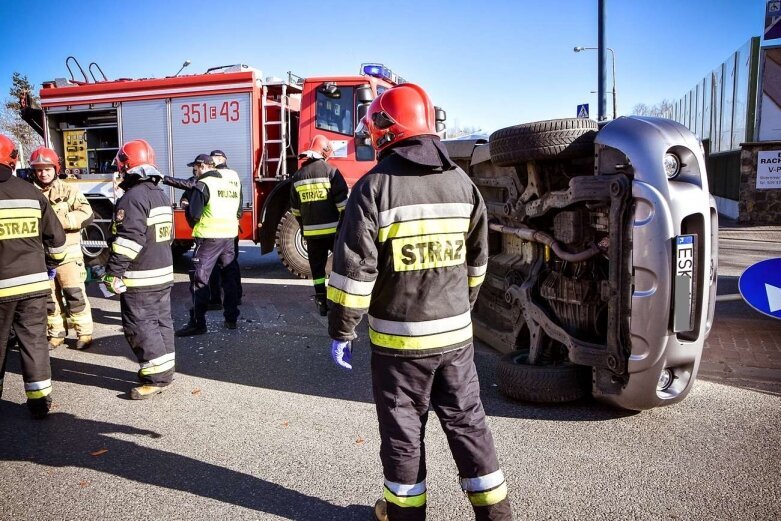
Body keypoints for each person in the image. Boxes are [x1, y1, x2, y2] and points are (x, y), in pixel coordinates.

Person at [327, 84, 513, 521]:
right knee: (469, 425)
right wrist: (458, 309)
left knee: (404, 434)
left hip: (399, 346)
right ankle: (498, 516)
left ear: (384, 130)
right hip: (455, 339)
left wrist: (342, 330)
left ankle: (405, 516)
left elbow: (355, 273)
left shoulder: (374, 187)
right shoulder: (463, 184)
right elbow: (479, 263)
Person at [0, 134, 67, 418]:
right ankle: (40, 403)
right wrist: (48, 264)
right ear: (13, 159)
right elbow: (58, 240)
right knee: (34, 342)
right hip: (34, 284)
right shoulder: (32, 193)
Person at [103, 139, 176, 400]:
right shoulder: (160, 194)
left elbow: (128, 241)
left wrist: (113, 272)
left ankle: (155, 378)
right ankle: (164, 371)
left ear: (126, 165)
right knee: (161, 323)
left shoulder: (132, 198)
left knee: (141, 327)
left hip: (141, 277)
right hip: (162, 274)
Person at [28, 146, 95, 350]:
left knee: (74, 293)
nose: (43, 173)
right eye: (39, 169)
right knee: (49, 297)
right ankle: (56, 333)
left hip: (69, 254)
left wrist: (57, 221)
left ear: (55, 168)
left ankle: (84, 333)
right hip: (41, 255)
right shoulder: (29, 192)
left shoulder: (69, 190)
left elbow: (87, 213)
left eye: (47, 168)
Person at [174, 154, 241, 336]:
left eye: (195, 168)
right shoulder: (231, 179)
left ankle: (198, 323)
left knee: (199, 280)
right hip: (229, 236)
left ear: (202, 166)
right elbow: (238, 206)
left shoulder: (203, 184)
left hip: (209, 237)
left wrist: (187, 206)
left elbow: (195, 215)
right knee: (229, 278)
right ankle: (231, 319)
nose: (194, 171)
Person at [289, 135, 348, 315]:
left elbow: (295, 210)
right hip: (333, 233)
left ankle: (321, 300)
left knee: (317, 268)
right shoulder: (332, 172)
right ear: (325, 152)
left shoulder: (298, 176)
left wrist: (305, 228)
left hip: (312, 234)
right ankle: (339, 299)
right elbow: (343, 207)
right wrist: (344, 228)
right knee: (340, 265)